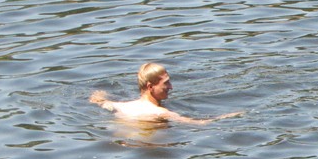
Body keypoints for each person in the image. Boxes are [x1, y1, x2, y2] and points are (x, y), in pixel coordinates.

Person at [90, 63, 241, 125]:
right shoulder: (160, 113)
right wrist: (230, 116)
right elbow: (199, 124)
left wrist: (101, 94)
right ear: (150, 86)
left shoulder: (121, 106)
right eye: (166, 83)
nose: (171, 87)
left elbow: (96, 100)